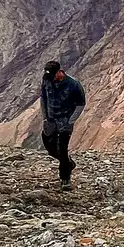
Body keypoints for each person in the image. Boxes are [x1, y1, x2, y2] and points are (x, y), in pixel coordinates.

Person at [39, 60, 86, 188]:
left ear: (59, 72)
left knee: (62, 150)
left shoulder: (73, 85)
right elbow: (43, 97)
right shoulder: (46, 80)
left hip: (65, 121)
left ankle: (65, 179)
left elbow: (81, 104)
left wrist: (70, 122)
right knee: (50, 148)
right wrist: (45, 117)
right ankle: (68, 164)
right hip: (50, 121)